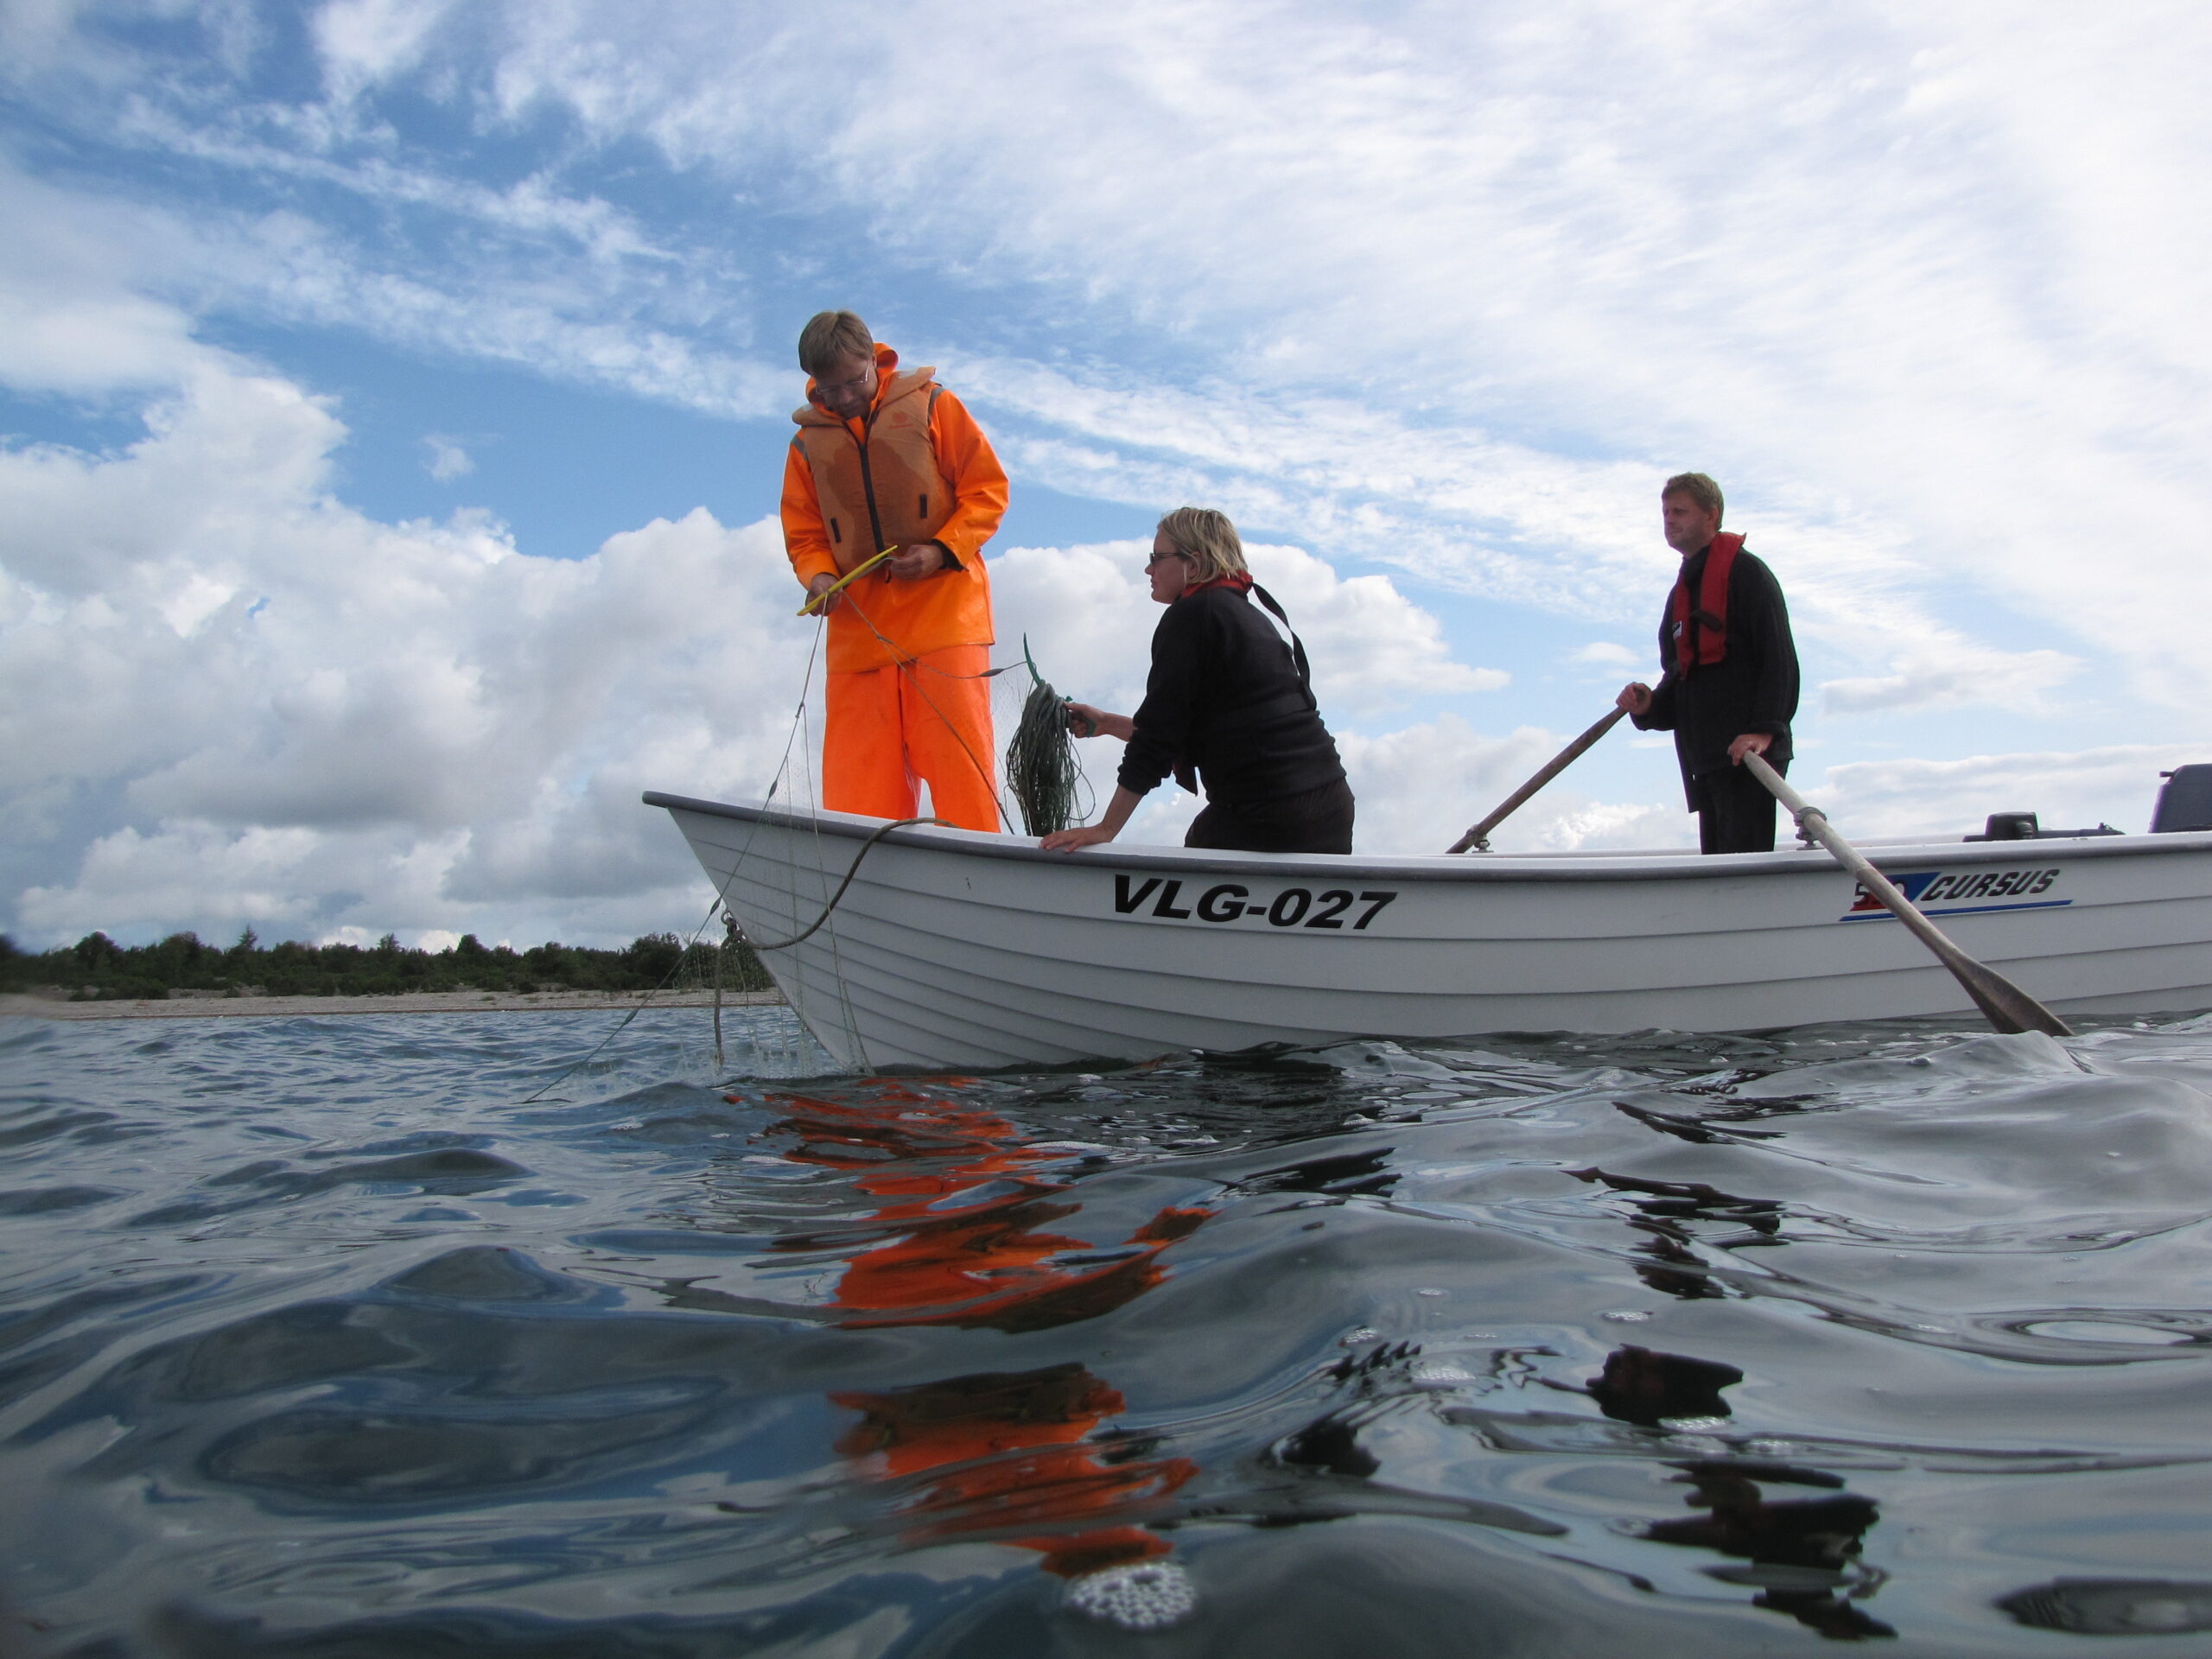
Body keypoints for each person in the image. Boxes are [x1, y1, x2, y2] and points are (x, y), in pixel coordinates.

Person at [782, 309, 1009, 831]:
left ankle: (977, 883)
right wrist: (817, 576)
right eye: (828, 389)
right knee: (858, 795)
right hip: (859, 635)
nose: (843, 397)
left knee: (961, 777)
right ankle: (866, 896)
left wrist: (940, 550)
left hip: (945, 622)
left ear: (876, 362)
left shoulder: (935, 404)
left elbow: (987, 491)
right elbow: (804, 532)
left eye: (853, 382)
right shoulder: (803, 444)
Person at [1040, 507, 1354, 855]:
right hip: (1331, 807)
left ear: (1195, 562)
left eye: (1157, 558)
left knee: (1199, 843)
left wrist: (1106, 828)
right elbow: (1212, 731)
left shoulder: (1191, 616)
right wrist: (1109, 724)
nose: (1148, 569)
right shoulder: (1246, 614)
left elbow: (1157, 741)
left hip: (1270, 813)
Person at [1616, 473, 1800, 855]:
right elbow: (1678, 682)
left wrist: (1764, 731)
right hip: (1706, 760)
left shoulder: (1749, 576)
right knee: (1718, 864)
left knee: (1743, 867)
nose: (1669, 520)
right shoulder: (1680, 596)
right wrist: (1649, 706)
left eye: (1680, 511)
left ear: (1711, 516)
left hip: (1750, 759)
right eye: (1665, 513)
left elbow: (1780, 660)